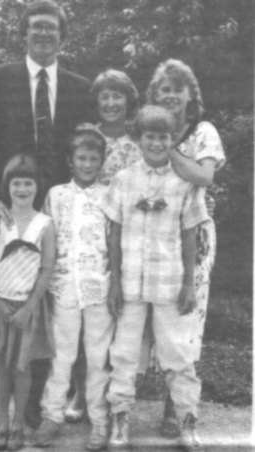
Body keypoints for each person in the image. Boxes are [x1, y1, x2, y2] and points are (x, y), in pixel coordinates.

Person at [0, 0, 93, 442]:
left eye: (51, 28)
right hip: (9, 206)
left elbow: (86, 152)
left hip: (55, 211)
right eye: (36, 27)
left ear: (62, 36)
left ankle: (35, 407)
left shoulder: (78, 86)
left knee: (46, 308)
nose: (43, 34)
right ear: (24, 34)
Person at [103, 105, 209, 451]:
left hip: (170, 280)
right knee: (124, 353)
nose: (157, 142)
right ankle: (120, 419)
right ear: (139, 138)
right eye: (150, 136)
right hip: (131, 282)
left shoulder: (184, 183)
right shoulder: (123, 179)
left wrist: (189, 283)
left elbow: (191, 234)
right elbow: (114, 235)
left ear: (173, 139)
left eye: (164, 136)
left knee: (178, 354)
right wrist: (115, 283)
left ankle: (188, 421)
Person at [145, 58, 225, 441]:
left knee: (185, 317)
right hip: (151, 233)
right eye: (165, 88)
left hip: (192, 232)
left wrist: (166, 150)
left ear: (191, 94)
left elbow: (204, 175)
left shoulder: (203, 132)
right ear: (155, 95)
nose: (172, 95)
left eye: (179, 88)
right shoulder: (149, 130)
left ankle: (175, 409)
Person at [65, 68, 141, 424]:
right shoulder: (84, 137)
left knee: (113, 323)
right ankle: (81, 393)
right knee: (83, 322)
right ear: (96, 101)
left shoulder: (137, 146)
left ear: (129, 101)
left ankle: (112, 397)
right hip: (85, 243)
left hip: (123, 242)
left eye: (117, 96)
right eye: (104, 96)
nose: (111, 103)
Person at [33, 127, 114, 451]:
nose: (87, 164)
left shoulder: (109, 195)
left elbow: (114, 241)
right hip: (65, 285)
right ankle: (51, 415)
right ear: (70, 160)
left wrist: (113, 283)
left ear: (101, 162)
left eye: (94, 158)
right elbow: (46, 239)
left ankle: (99, 421)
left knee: (97, 357)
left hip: (98, 286)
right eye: (81, 158)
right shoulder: (56, 195)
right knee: (62, 355)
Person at [0, 154, 55, 451]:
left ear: (37, 187)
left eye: (28, 183)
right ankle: (3, 424)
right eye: (16, 183)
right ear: (6, 187)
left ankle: (19, 423)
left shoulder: (44, 224)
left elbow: (47, 268)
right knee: (1, 367)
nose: (22, 189)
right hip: (1, 305)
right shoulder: (0, 220)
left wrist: (28, 307)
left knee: (22, 369)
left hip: (27, 309)